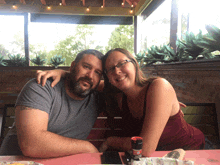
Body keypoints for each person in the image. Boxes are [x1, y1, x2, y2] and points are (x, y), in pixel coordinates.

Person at [36, 48, 205, 157]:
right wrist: (63, 73)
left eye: (122, 63)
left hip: (193, 152)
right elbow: (87, 80)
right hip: (157, 158)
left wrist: (110, 141)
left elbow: (144, 147)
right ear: (108, 77)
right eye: (109, 69)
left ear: (134, 64)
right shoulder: (117, 95)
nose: (117, 70)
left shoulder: (159, 87)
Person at [0, 49, 106, 158]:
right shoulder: (41, 87)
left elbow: (120, 84)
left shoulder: (96, 97)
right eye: (86, 67)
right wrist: (87, 147)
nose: (90, 75)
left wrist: (63, 72)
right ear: (73, 66)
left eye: (97, 72)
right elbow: (31, 144)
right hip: (16, 161)